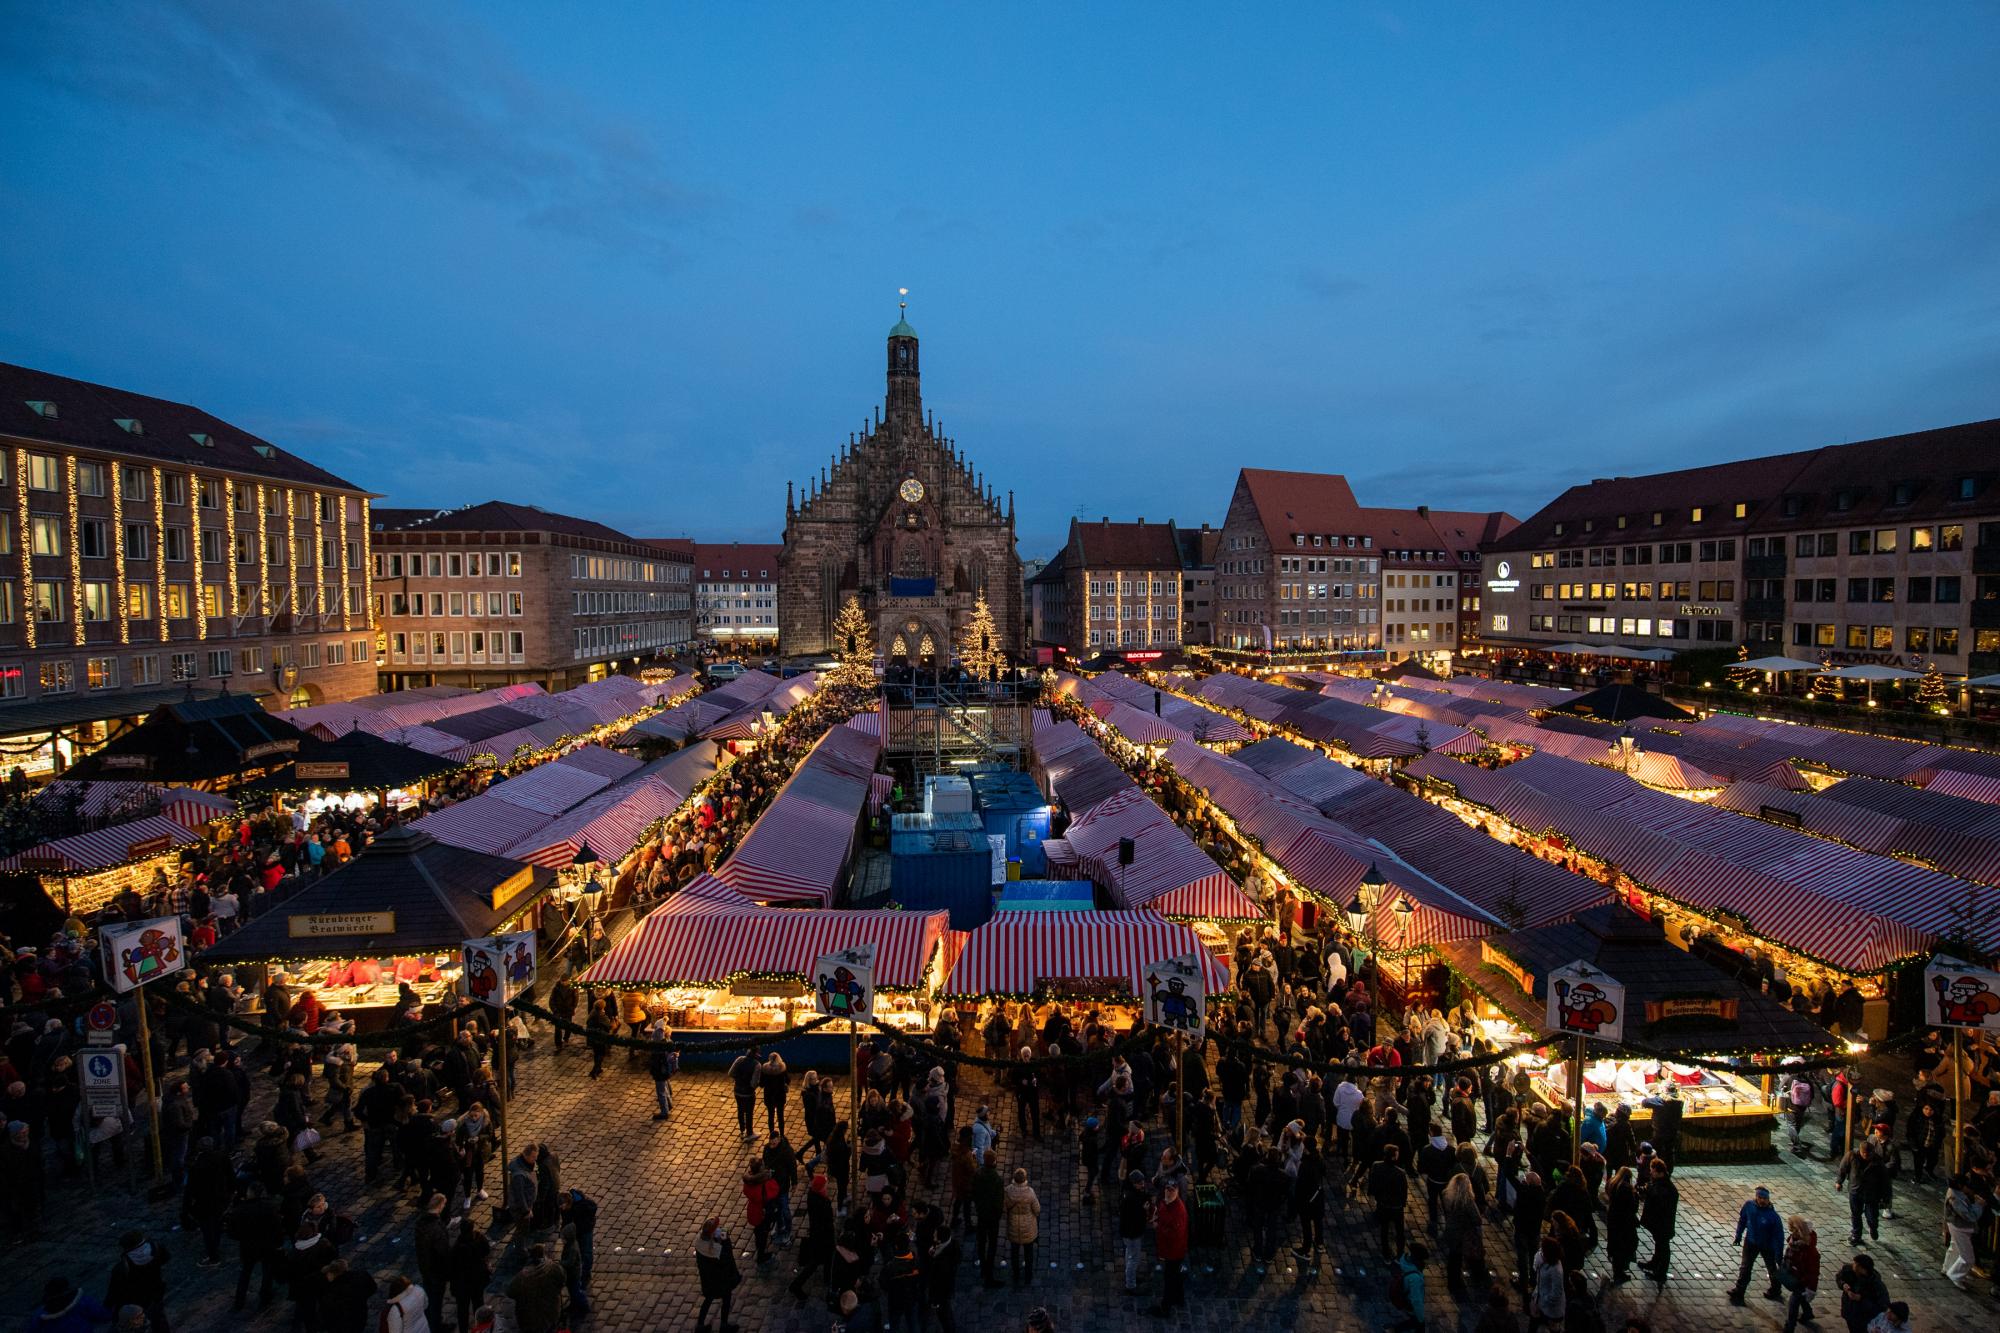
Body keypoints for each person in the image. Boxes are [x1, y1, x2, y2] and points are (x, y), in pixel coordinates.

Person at [1727, 1185, 1785, 1305]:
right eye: (1760, 1197)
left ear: (1768, 1199)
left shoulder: (1773, 1217)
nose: (1762, 1200)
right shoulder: (1749, 1206)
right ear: (1756, 1197)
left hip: (1768, 1246)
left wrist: (1778, 1255)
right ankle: (1739, 1290)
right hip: (1751, 1242)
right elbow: (1743, 1220)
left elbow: (1779, 1237)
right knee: (1745, 1267)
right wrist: (1738, 1235)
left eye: (1764, 1198)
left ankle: (1776, 1289)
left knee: (1772, 1268)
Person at [103, 1233, 171, 1333]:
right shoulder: (156, 1248)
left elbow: (114, 1292)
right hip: (155, 1295)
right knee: (159, 1321)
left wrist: (106, 1307)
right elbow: (166, 1258)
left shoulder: (121, 1269)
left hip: (135, 1302)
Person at [1149, 1180, 1190, 1316]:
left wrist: (1158, 1227)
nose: (1169, 1191)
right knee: (1175, 1275)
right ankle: (1179, 1298)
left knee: (1169, 1278)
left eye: (1172, 1189)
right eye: (1167, 1188)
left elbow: (1175, 1234)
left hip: (1174, 1251)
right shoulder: (1165, 1202)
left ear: (1177, 1191)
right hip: (1169, 1249)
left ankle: (1165, 1308)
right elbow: (1160, 1211)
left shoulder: (1178, 1211)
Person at [413, 1194, 453, 1332]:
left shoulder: (421, 1223)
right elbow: (443, 1251)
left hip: (426, 1268)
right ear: (440, 1205)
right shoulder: (436, 1228)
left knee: (430, 1298)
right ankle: (436, 1326)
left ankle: (432, 1321)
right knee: (436, 1300)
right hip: (437, 1270)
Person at [694, 1218, 741, 1333]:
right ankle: (724, 1325)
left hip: (707, 1279)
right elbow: (727, 1257)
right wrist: (725, 1240)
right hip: (720, 1279)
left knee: (708, 1299)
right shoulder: (715, 1250)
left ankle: (700, 1326)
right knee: (726, 1298)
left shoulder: (699, 1241)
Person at [505, 1244, 566, 1333]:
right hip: (550, 1313)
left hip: (528, 1318)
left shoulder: (522, 1277)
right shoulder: (554, 1268)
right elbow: (562, 1280)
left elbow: (509, 1292)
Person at [1636, 1159, 1677, 1290]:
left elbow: (1659, 1202)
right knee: (1659, 1244)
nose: (1650, 1173)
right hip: (1658, 1222)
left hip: (1663, 1223)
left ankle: (1661, 1273)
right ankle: (1654, 1263)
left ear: (1659, 1172)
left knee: (1663, 1247)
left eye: (1652, 1170)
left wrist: (1648, 1191)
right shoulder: (1659, 1183)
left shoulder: (1667, 1188)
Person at [448, 1216, 493, 1333]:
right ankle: (482, 1329)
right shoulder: (479, 1239)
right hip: (477, 1281)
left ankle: (463, 1330)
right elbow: (487, 1251)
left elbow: (452, 1268)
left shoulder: (457, 1248)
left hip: (462, 1284)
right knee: (478, 1304)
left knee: (462, 1310)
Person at [1369, 1143, 1410, 1259]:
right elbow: (1403, 1191)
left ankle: (1386, 1253)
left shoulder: (1376, 1166)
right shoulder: (1400, 1173)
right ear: (1394, 1157)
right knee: (1399, 1232)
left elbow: (1373, 1183)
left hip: (1383, 1204)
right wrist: (1403, 1203)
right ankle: (1400, 1254)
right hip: (1396, 1206)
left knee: (1384, 1230)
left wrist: (1375, 1196)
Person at [1943, 1172, 1984, 1289]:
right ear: (1961, 1185)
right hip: (1960, 1227)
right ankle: (1955, 1275)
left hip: (1956, 1225)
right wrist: (1979, 1205)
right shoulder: (1955, 1198)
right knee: (1968, 1257)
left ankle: (1947, 1268)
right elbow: (1970, 1216)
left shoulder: (1955, 1192)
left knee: (1955, 1248)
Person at [1781, 1216, 1820, 1333]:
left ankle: (1790, 1327)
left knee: (1793, 1303)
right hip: (1795, 1277)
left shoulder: (1811, 1252)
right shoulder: (1794, 1242)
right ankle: (1808, 1313)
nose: (1793, 1232)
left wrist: (1811, 1289)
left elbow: (1813, 1273)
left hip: (1802, 1281)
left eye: (1796, 1230)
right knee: (1801, 1298)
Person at [1003, 1167, 1041, 1286]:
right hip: (1028, 1228)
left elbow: (1004, 1207)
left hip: (1013, 1226)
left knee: (1014, 1252)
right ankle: (1028, 1276)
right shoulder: (1030, 1192)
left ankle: (1016, 1275)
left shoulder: (1008, 1191)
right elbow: (1037, 1210)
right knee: (1028, 1253)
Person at [1119, 1170, 1153, 1293]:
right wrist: (1144, 1210)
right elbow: (1134, 1217)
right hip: (1132, 1233)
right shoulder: (1131, 1198)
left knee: (1130, 1253)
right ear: (1134, 1183)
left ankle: (1130, 1276)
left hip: (1128, 1232)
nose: (1142, 1184)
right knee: (1134, 1258)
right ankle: (1130, 1284)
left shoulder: (1128, 1193)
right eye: (1140, 1183)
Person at [973, 1153, 1005, 1287]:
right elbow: (999, 1200)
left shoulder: (977, 1174)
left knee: (981, 1242)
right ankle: (989, 1274)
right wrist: (998, 1214)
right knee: (991, 1244)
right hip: (992, 1216)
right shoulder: (996, 1179)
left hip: (981, 1213)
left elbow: (974, 1193)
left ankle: (983, 1268)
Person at [1835, 1253, 1887, 1333]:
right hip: (1849, 1312)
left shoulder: (1876, 1285)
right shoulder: (1849, 1270)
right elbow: (1839, 1276)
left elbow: (1882, 1306)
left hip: (1865, 1319)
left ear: (1861, 1268)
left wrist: (1861, 1299)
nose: (1853, 1265)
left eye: (1855, 1264)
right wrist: (1843, 1285)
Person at [926, 1224, 960, 1333]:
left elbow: (937, 1282)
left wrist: (934, 1300)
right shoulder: (952, 1243)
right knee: (946, 1311)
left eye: (935, 1236)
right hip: (947, 1288)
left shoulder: (942, 1262)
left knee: (944, 1314)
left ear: (940, 1240)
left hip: (942, 1293)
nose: (933, 1237)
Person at [1389, 1240, 1427, 1333]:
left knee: (1413, 1322)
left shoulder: (1403, 1261)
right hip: (1410, 1305)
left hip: (1406, 1299)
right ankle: (1394, 1330)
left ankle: (1395, 1329)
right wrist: (1421, 1318)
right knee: (1418, 1323)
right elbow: (1416, 1300)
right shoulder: (1415, 1278)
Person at [1528, 1236, 1565, 1331]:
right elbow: (1535, 1265)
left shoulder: (1556, 1271)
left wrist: (1541, 1301)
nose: (1541, 1251)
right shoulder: (1542, 1257)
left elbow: (1556, 1294)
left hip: (1550, 1310)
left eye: (1543, 1250)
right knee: (1533, 1326)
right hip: (1539, 1300)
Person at [728, 1049, 760, 1142]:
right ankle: (749, 1133)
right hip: (748, 1094)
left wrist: (739, 1079)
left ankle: (742, 1131)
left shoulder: (739, 1059)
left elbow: (730, 1073)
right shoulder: (757, 1065)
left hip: (737, 1091)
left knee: (740, 1110)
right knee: (749, 1113)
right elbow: (754, 1083)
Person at [648, 1035, 678, 1121]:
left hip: (660, 1073)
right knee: (664, 1089)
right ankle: (669, 1105)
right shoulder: (667, 1045)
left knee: (661, 1092)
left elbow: (655, 1064)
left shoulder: (658, 1051)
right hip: (664, 1073)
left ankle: (664, 1112)